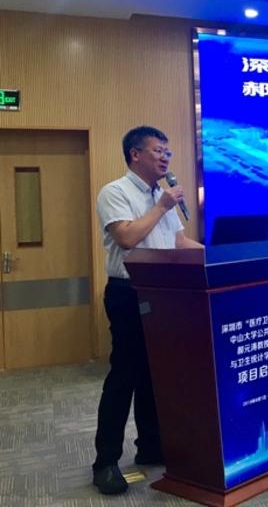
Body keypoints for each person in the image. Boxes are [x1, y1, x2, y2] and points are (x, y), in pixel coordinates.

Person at [92, 126, 203, 495]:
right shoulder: (115, 192)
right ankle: (105, 462)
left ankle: (151, 446)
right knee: (124, 375)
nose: (165, 157)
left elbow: (177, 241)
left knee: (157, 375)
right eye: (158, 151)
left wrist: (214, 254)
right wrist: (161, 206)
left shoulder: (161, 195)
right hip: (129, 292)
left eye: (168, 152)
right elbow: (127, 237)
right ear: (135, 154)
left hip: (166, 292)